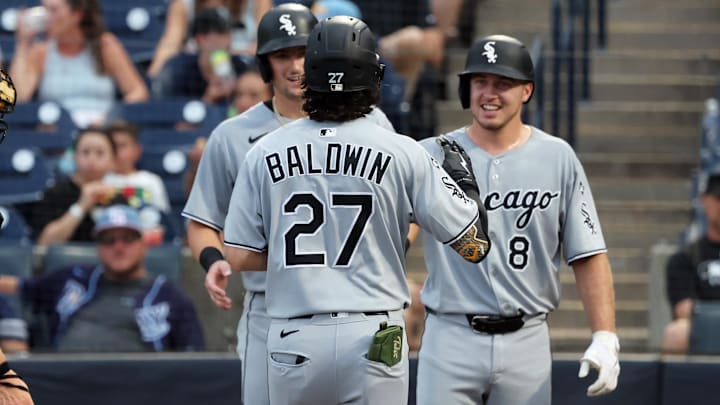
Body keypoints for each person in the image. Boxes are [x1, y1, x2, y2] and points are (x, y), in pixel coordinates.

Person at [218, 16, 490, 405]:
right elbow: (473, 246)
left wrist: (310, 259)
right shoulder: (402, 150)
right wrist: (465, 186)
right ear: (373, 76)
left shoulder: (263, 151)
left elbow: (239, 255)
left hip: (293, 338)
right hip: (373, 334)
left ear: (309, 74)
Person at [414, 35, 620, 404]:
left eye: (502, 83)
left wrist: (605, 335)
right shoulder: (428, 154)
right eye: (480, 82)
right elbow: (396, 235)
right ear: (467, 88)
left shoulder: (558, 156)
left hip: (527, 337)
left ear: (526, 91)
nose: (489, 93)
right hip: (450, 334)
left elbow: (587, 253)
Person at [182, 4, 318, 405]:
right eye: (282, 55)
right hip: (269, 306)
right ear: (265, 64)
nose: (295, 66)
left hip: (353, 304)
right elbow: (201, 221)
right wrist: (213, 260)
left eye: (304, 52)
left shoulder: (369, 124)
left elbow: (408, 213)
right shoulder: (231, 135)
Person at [0, 204, 205, 352]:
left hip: (139, 388)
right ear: (98, 247)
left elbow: (193, 360)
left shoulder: (169, 296)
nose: (118, 247)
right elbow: (18, 288)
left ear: (143, 245)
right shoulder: (73, 278)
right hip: (65, 384)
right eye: (108, 240)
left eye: (128, 239)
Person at [9, 0, 149, 127]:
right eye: (44, 10)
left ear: (77, 15)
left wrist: (109, 118)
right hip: (57, 138)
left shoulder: (105, 46)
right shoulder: (40, 52)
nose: (47, 17)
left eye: (53, 10)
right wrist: (23, 44)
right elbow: (18, 98)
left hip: (100, 134)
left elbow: (138, 92)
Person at [28, 127, 119, 246]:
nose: (92, 159)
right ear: (75, 157)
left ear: (113, 160)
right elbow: (44, 244)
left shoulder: (117, 198)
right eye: (85, 152)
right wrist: (81, 206)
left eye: (100, 153)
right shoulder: (55, 193)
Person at [663, 172, 720, 353]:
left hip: (704, 314)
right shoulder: (685, 258)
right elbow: (683, 310)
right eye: (718, 198)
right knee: (677, 332)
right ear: (705, 200)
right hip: (704, 330)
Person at [148, 0, 273, 77]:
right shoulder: (183, 4)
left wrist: (225, 53)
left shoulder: (258, 1)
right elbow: (169, 46)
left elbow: (266, 43)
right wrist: (153, 79)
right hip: (197, 77)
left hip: (244, 73)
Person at [152, 7, 248, 103]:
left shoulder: (241, 68)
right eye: (221, 33)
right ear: (201, 39)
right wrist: (208, 100)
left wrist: (237, 94)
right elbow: (168, 113)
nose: (229, 41)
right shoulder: (179, 71)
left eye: (230, 33)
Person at [103, 120, 171, 214]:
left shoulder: (152, 181)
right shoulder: (99, 181)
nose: (116, 151)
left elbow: (162, 218)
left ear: (137, 150)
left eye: (122, 146)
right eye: (112, 146)